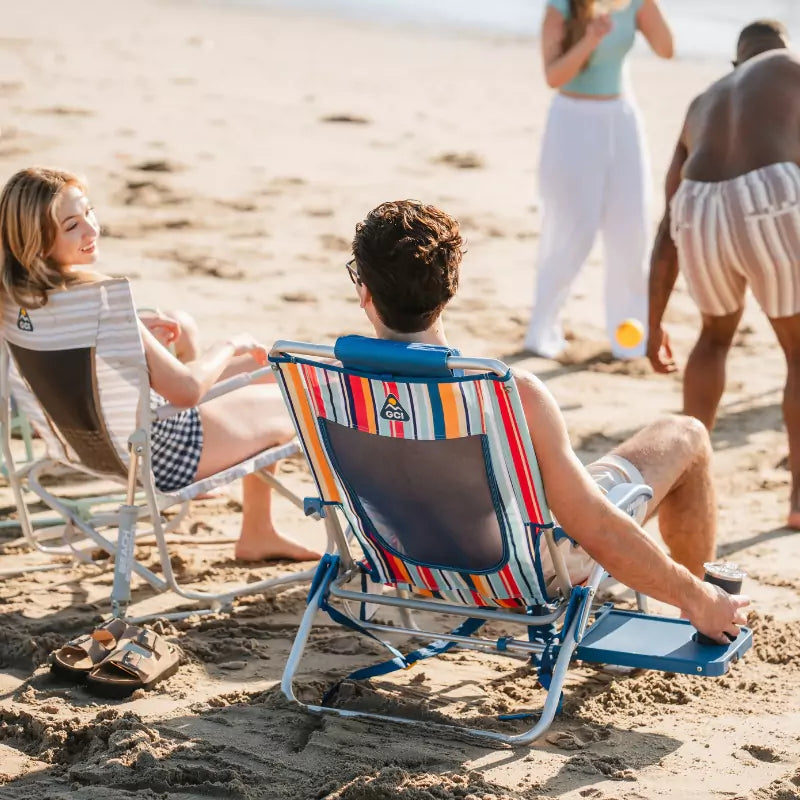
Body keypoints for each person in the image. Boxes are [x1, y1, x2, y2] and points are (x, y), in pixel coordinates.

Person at [348, 199, 749, 644]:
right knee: (686, 435)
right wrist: (697, 597)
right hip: (522, 573)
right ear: (450, 289)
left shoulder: (331, 385)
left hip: (406, 565)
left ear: (365, 292)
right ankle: (705, 610)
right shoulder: (506, 392)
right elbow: (593, 526)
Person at [0, 166, 320, 562]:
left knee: (261, 372)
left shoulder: (13, 301)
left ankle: (256, 527)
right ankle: (258, 533)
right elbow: (185, 392)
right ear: (38, 241)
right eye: (71, 225)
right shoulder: (100, 303)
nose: (91, 229)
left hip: (84, 447)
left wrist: (135, 338)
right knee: (288, 394)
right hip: (162, 453)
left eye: (89, 213)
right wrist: (229, 344)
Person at [647, 20, 800, 529]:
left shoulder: (702, 101)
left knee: (713, 339)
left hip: (699, 207)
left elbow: (669, 220)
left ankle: (686, 478)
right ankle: (799, 500)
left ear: (735, 64)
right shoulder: (792, 69)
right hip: (771, 195)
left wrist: (653, 322)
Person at [524, 0, 673, 360]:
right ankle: (542, 331)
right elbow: (553, 76)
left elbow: (667, 50)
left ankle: (631, 338)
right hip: (573, 121)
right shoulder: (561, 7)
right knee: (572, 230)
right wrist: (590, 38)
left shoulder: (636, 3)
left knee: (631, 227)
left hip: (622, 119)